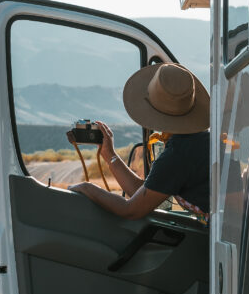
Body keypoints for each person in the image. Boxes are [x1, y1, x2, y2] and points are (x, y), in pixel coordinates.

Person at [68, 62, 210, 222]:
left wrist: (87, 188)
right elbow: (143, 192)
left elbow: (131, 211)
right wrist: (110, 156)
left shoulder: (178, 154)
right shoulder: (199, 141)